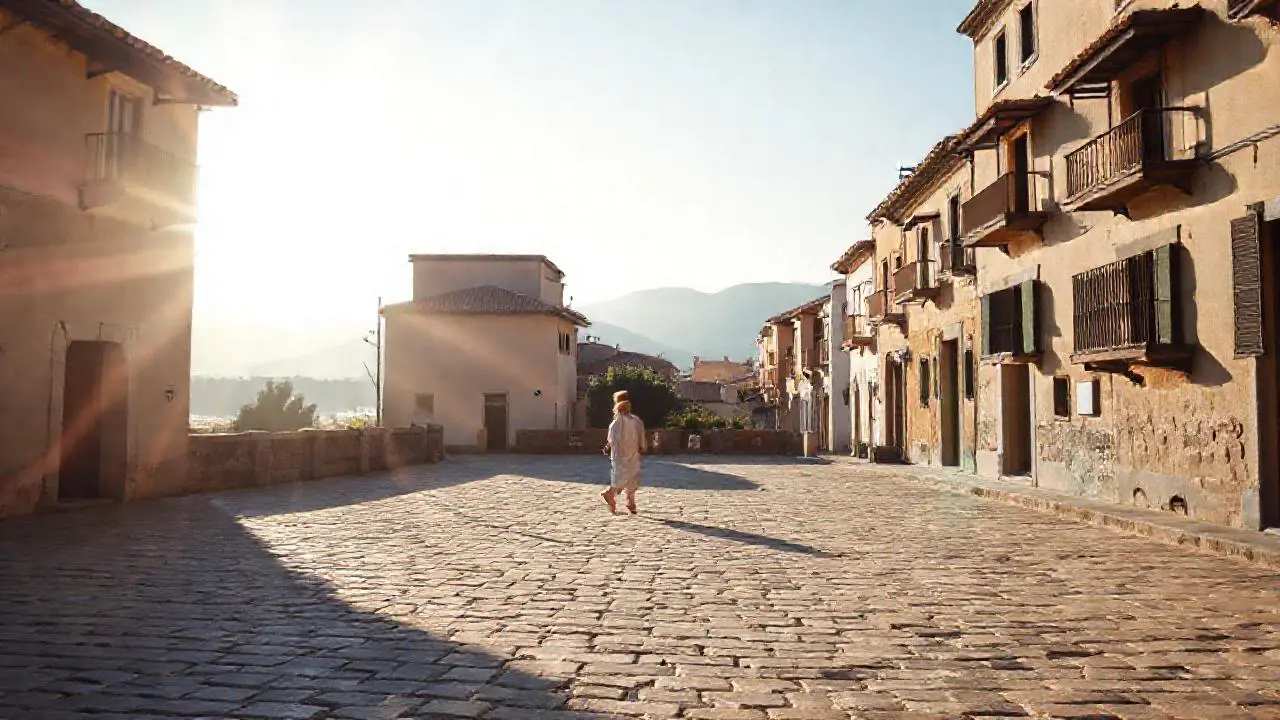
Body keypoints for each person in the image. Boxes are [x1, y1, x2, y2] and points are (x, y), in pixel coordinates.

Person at [602, 397, 645, 514]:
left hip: (619, 455)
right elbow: (639, 435)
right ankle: (610, 494)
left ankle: (630, 503)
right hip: (629, 454)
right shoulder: (633, 421)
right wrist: (641, 447)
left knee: (624, 476)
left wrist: (608, 448)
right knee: (627, 477)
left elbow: (611, 439)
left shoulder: (616, 423)